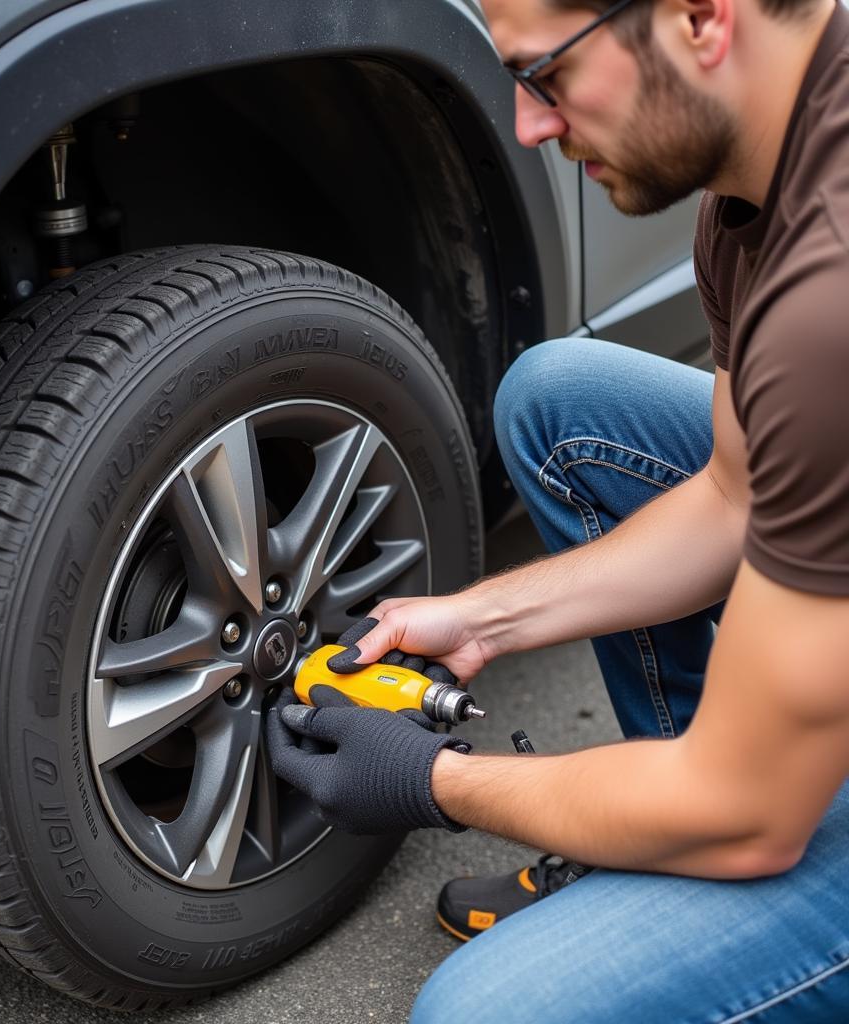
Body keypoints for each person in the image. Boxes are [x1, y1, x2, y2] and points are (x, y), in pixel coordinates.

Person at [267, 0, 849, 1017]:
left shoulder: (826, 308)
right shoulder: (764, 178)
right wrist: (478, 618)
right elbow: (731, 496)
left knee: (485, 1011)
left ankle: (674, 849)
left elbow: (752, 813)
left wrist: (433, 777)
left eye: (544, 76)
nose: (526, 125)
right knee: (563, 402)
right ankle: (654, 827)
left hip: (760, 795)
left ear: (700, 17)